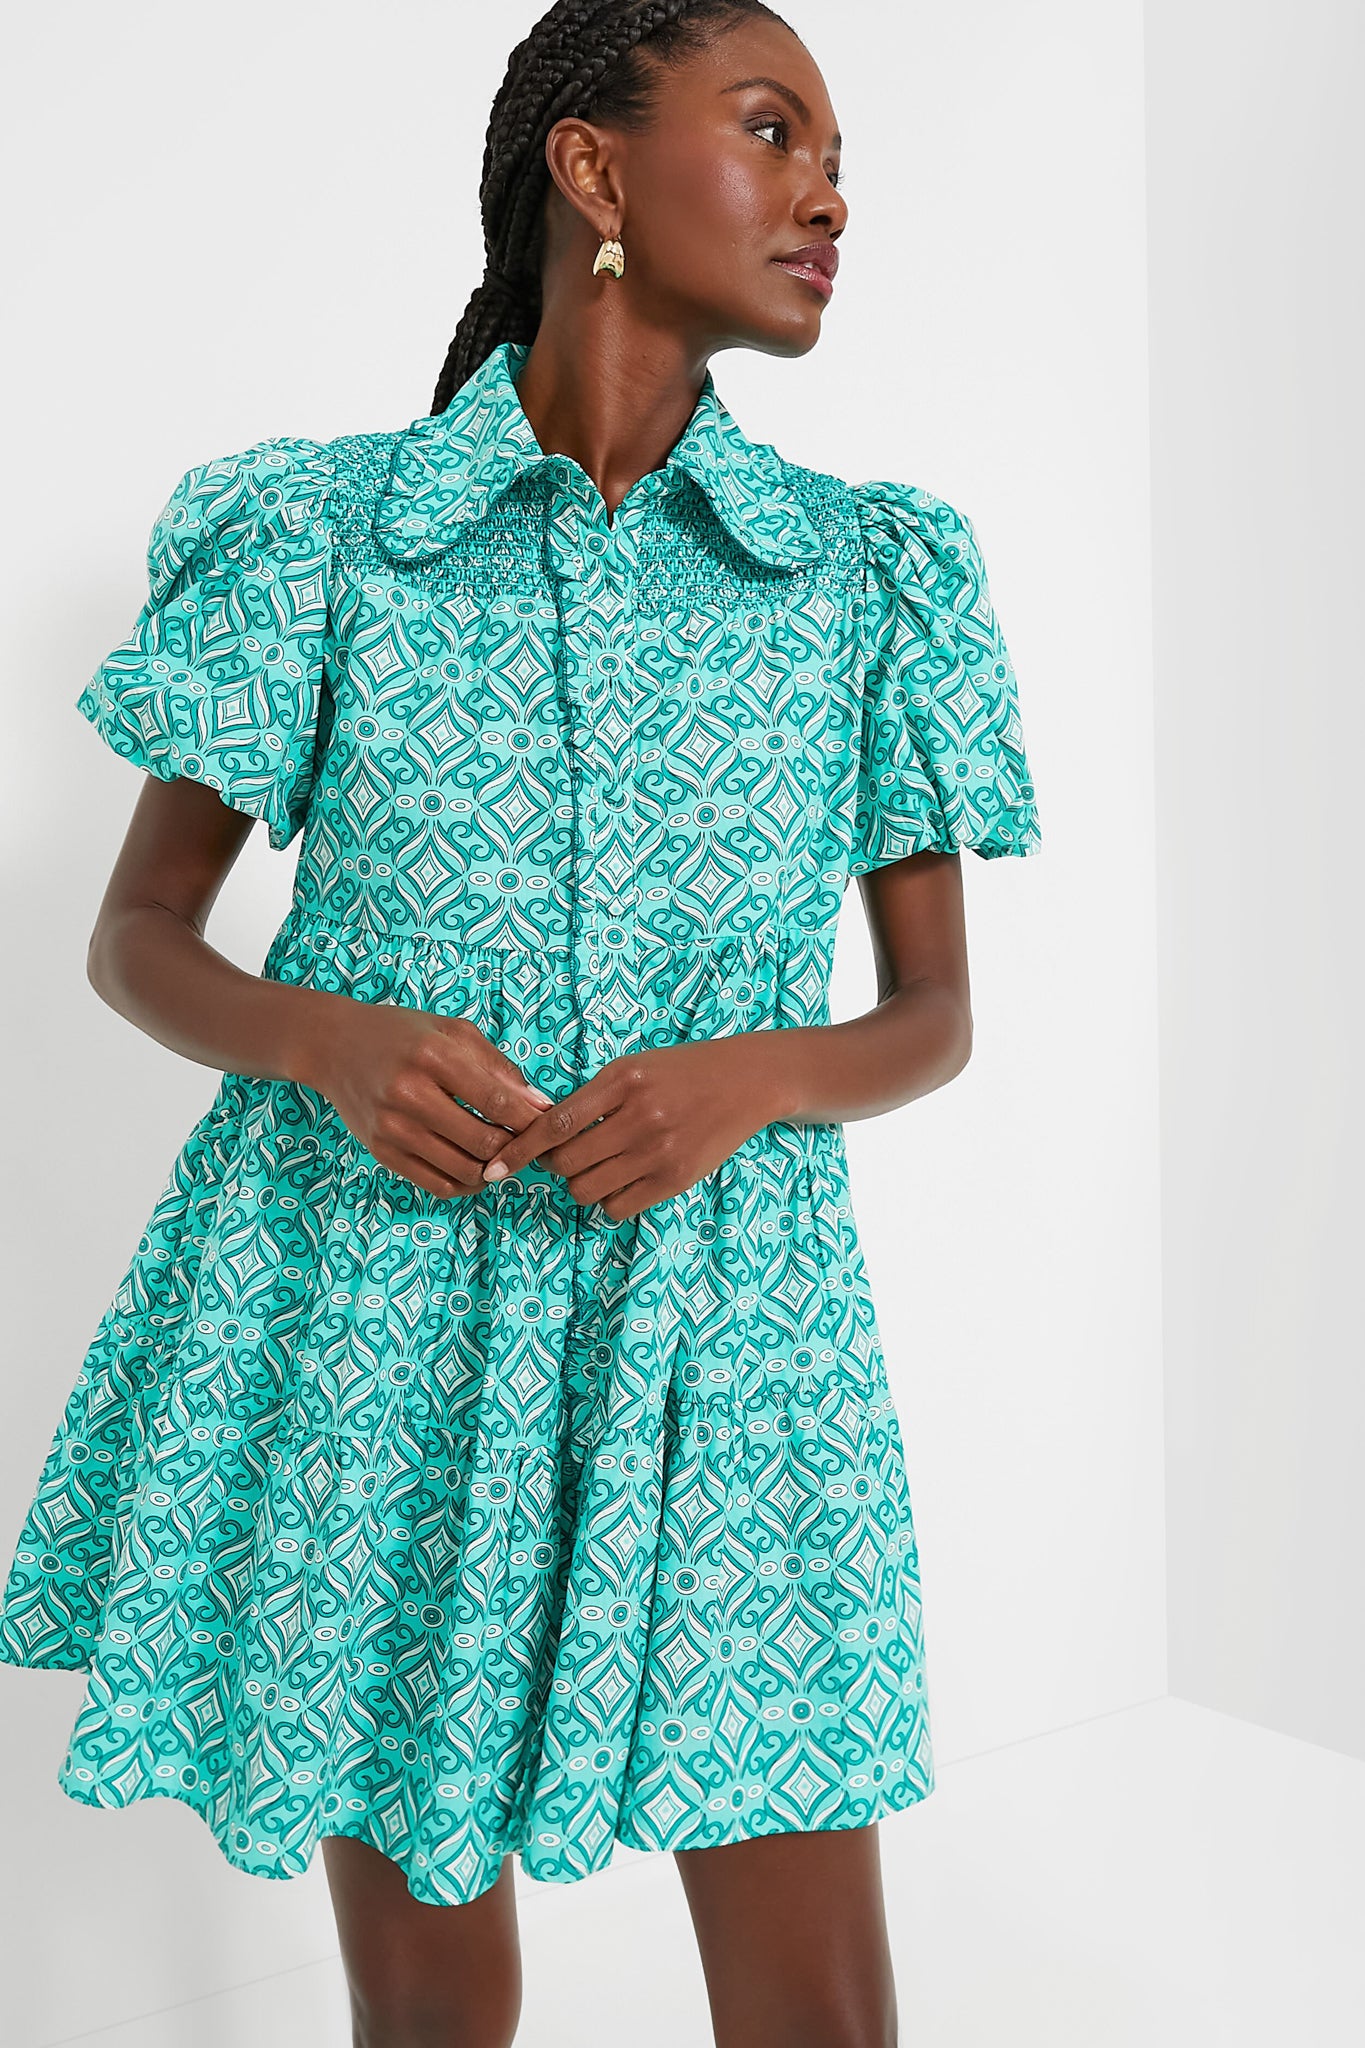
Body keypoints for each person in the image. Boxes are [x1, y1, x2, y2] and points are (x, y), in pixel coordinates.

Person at [0, 2, 1042, 2042]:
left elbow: (931, 1018)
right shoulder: (321, 538)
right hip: (371, 1316)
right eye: (772, 132)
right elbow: (137, 937)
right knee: (427, 2010)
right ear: (591, 167)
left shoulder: (868, 576)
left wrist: (755, 1075)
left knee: (818, 2006)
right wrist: (325, 1040)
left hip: (733, 1333)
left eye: (838, 160)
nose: (827, 196)